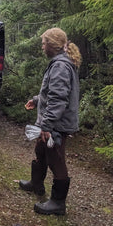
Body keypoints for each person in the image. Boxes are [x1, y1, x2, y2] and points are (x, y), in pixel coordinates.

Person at [19, 27, 82, 215]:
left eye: (44, 43)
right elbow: (52, 94)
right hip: (52, 121)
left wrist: (47, 125)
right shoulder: (58, 63)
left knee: (56, 159)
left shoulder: (60, 66)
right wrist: (37, 100)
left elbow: (58, 99)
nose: (42, 47)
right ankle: (36, 184)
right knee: (41, 150)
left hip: (57, 124)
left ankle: (57, 203)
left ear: (52, 46)